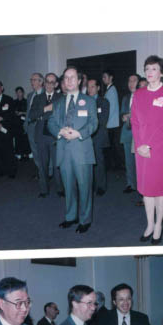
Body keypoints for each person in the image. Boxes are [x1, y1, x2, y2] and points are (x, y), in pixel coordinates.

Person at [130, 55, 163, 244]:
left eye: (154, 69)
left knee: (158, 189)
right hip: (141, 147)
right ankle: (149, 224)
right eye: (147, 69)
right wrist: (140, 144)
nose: (149, 73)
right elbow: (134, 121)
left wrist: (149, 144)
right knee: (145, 189)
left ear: (162, 73)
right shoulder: (139, 94)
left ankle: (159, 224)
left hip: (160, 147)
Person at [47, 66, 98, 234]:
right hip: (63, 150)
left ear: (79, 80)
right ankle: (70, 217)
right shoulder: (58, 103)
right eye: (66, 78)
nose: (69, 81)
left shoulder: (89, 101)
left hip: (82, 150)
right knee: (68, 187)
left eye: (72, 77)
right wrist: (59, 132)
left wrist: (79, 133)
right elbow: (51, 123)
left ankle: (85, 219)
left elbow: (93, 123)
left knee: (84, 186)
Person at [30, 72, 64, 198]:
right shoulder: (38, 98)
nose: (49, 84)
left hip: (55, 135)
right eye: (47, 81)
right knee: (42, 165)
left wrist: (43, 116)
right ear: (44, 83)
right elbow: (31, 116)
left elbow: (62, 117)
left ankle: (60, 188)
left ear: (55, 84)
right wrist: (45, 109)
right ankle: (44, 189)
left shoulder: (61, 98)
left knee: (57, 164)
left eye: (52, 82)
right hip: (41, 135)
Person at [87, 78, 110, 196]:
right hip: (86, 137)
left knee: (99, 162)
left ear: (98, 88)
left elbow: (102, 121)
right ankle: (90, 185)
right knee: (88, 163)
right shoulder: (84, 101)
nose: (90, 89)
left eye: (92, 86)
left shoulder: (104, 102)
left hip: (98, 136)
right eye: (88, 86)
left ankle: (101, 186)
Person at [119, 74, 140, 194]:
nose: (131, 83)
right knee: (129, 161)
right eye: (129, 81)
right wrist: (123, 116)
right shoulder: (126, 97)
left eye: (134, 81)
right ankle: (131, 184)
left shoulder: (143, 96)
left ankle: (141, 185)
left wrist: (131, 116)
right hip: (127, 132)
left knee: (140, 161)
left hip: (140, 134)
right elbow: (122, 113)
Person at [102, 70, 121, 171]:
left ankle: (114, 167)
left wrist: (105, 123)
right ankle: (114, 166)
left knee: (112, 147)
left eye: (105, 77)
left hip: (111, 124)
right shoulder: (109, 89)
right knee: (112, 147)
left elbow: (111, 109)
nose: (103, 79)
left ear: (111, 77)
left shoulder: (112, 90)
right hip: (111, 123)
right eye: (103, 77)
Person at [25, 73, 44, 168]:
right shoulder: (30, 95)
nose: (32, 82)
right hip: (31, 126)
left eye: (34, 80)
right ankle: (40, 170)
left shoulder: (46, 94)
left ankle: (46, 172)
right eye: (31, 80)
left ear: (41, 81)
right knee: (34, 150)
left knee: (42, 150)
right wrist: (26, 125)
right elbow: (28, 112)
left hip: (40, 126)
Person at [12, 87, 30, 160]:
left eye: (20, 92)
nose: (19, 94)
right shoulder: (14, 102)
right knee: (17, 139)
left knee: (25, 139)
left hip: (24, 123)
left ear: (23, 93)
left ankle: (26, 154)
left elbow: (29, 112)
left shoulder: (26, 101)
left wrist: (22, 113)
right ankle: (18, 154)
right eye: (17, 92)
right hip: (16, 123)